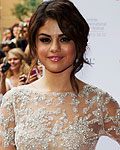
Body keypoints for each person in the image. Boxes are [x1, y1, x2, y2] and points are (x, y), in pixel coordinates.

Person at [0, 0, 119, 149]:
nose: (55, 48)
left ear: (78, 43)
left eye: (64, 39)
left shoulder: (98, 102)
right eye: (45, 40)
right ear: (35, 44)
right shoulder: (14, 100)